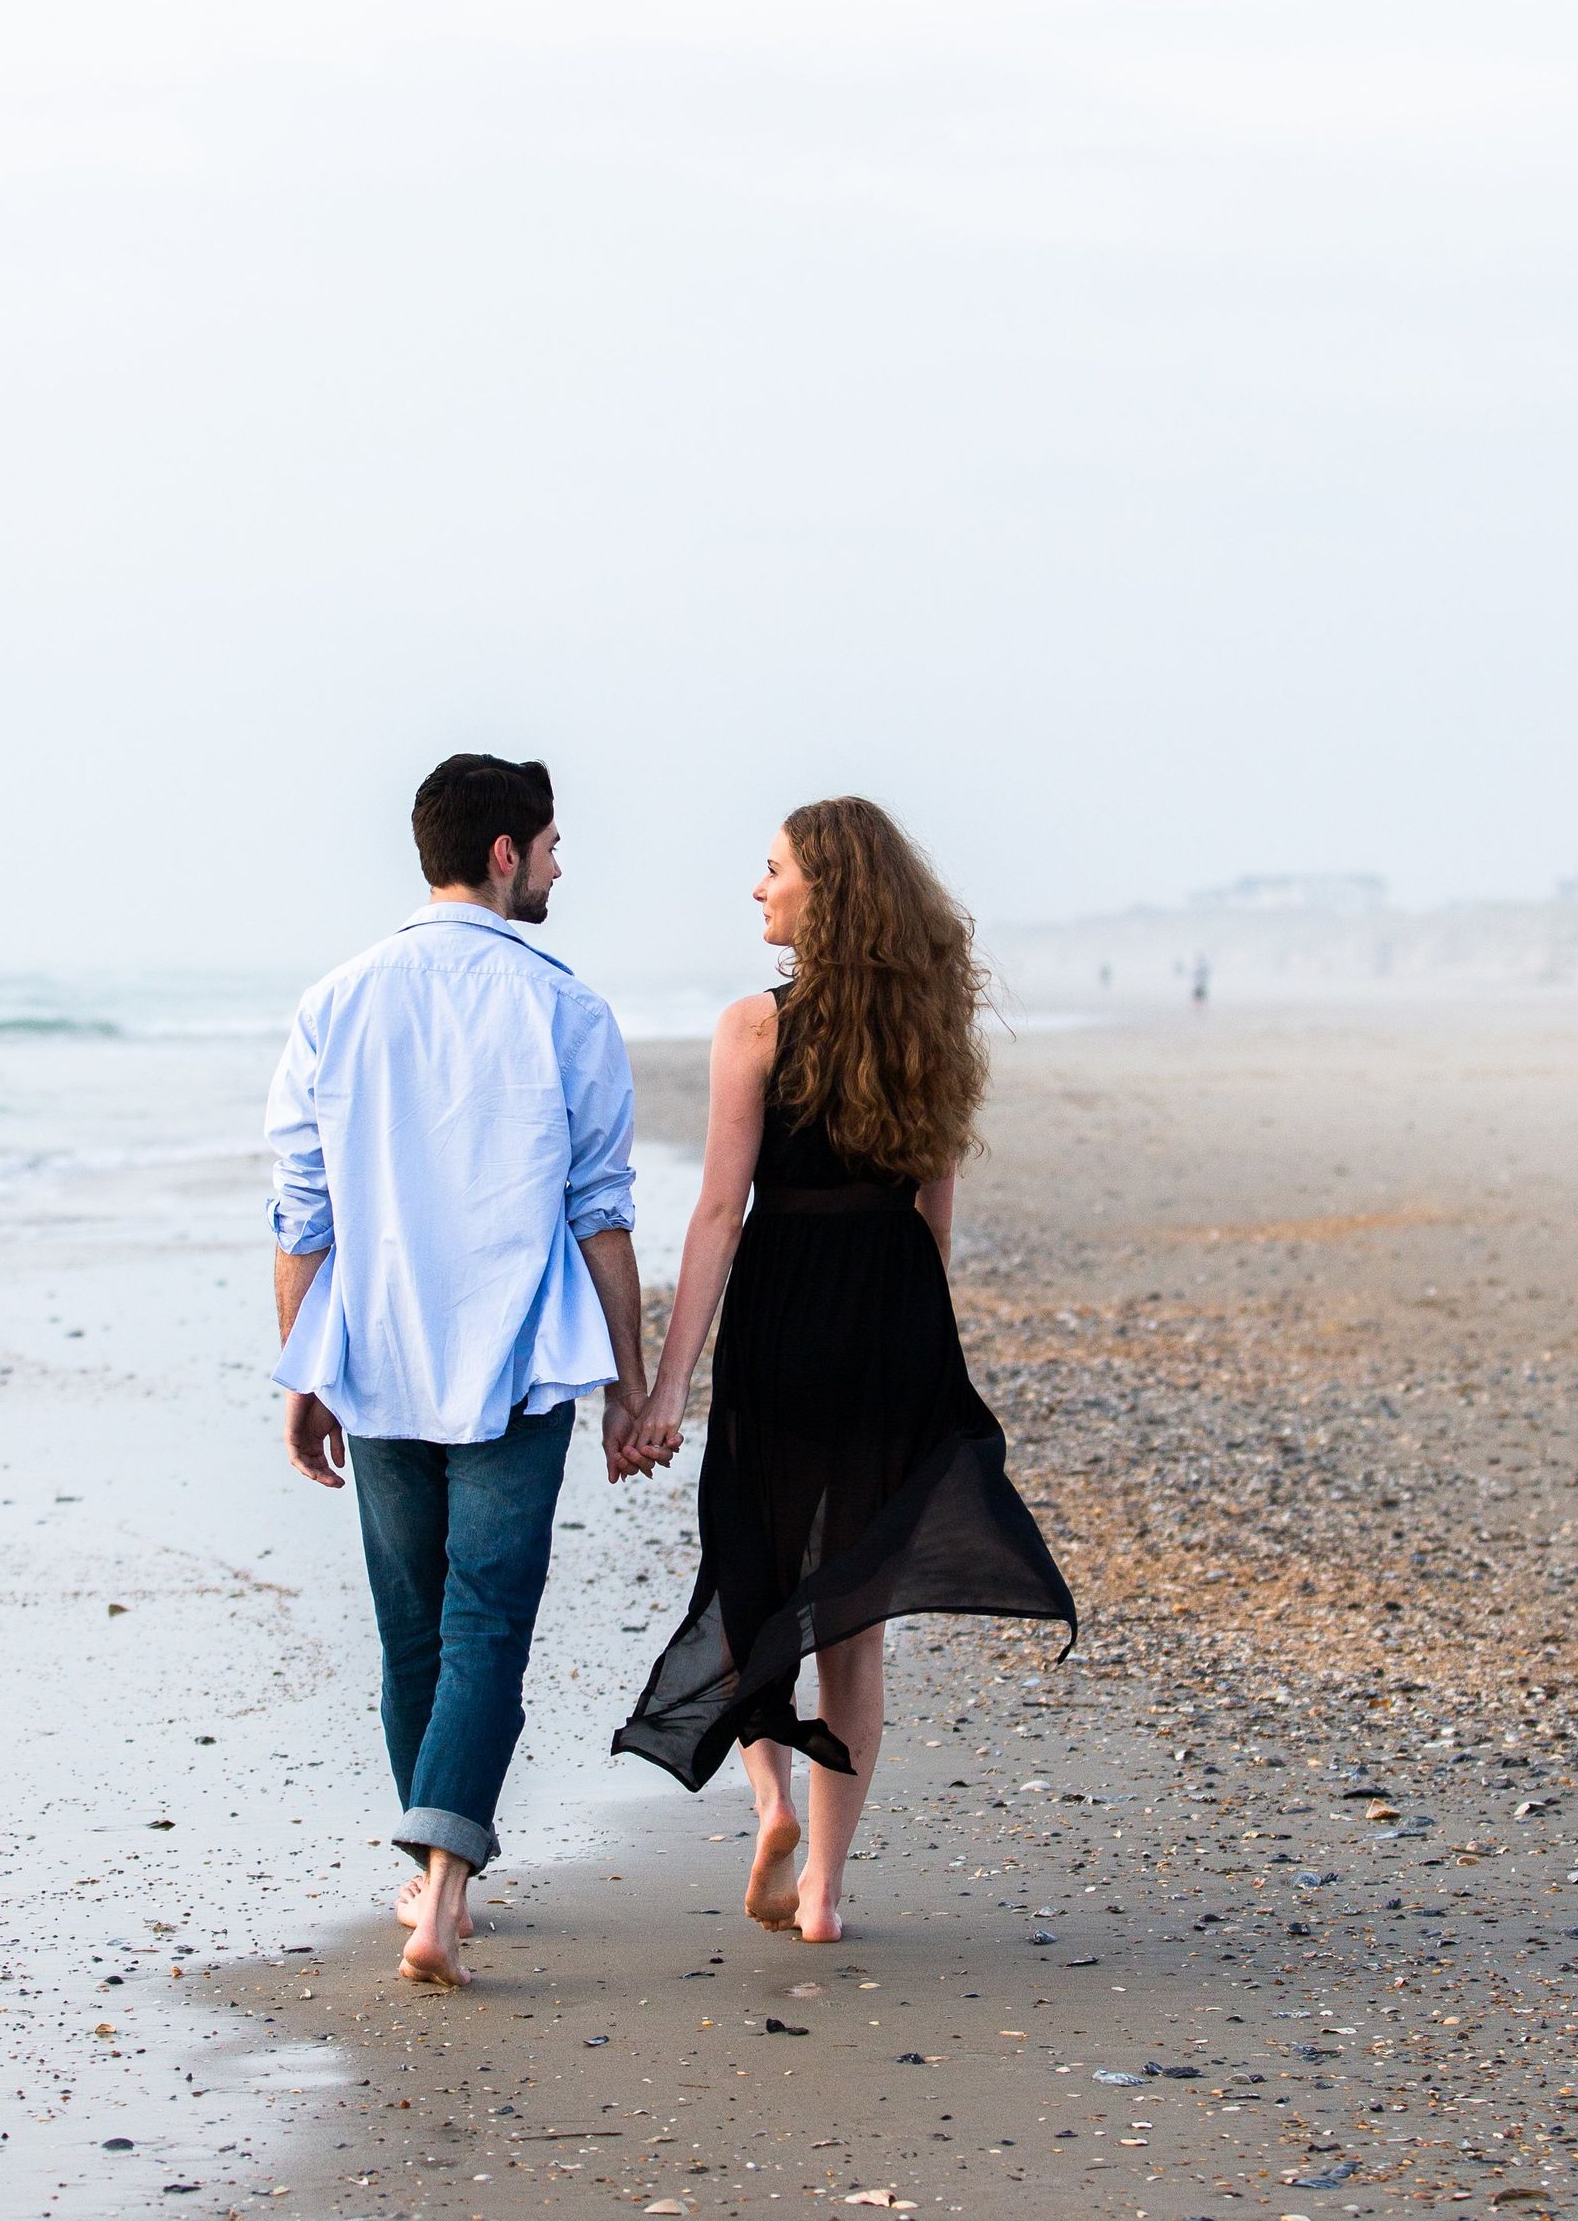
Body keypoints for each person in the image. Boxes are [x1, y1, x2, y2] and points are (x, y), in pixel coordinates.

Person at [613, 797, 1075, 1944]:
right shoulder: (930, 1033)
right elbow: (934, 1223)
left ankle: (767, 1804)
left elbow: (721, 1213)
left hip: (783, 1315)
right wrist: (921, 1351)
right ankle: (823, 1893)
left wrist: (670, 1388)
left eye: (772, 871)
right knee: (854, 1620)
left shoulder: (754, 1029)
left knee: (752, 1572)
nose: (757, 889)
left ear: (827, 888)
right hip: (894, 1320)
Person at [267, 753, 652, 1989]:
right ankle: (442, 1891)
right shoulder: (566, 1007)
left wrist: (301, 1371)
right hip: (518, 1366)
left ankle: (431, 1879)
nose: (556, 866)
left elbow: (302, 1212)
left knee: (412, 1630)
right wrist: (632, 1382)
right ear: (503, 854)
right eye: (548, 845)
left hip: (376, 1359)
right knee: (487, 1624)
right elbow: (602, 1215)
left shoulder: (334, 1001)